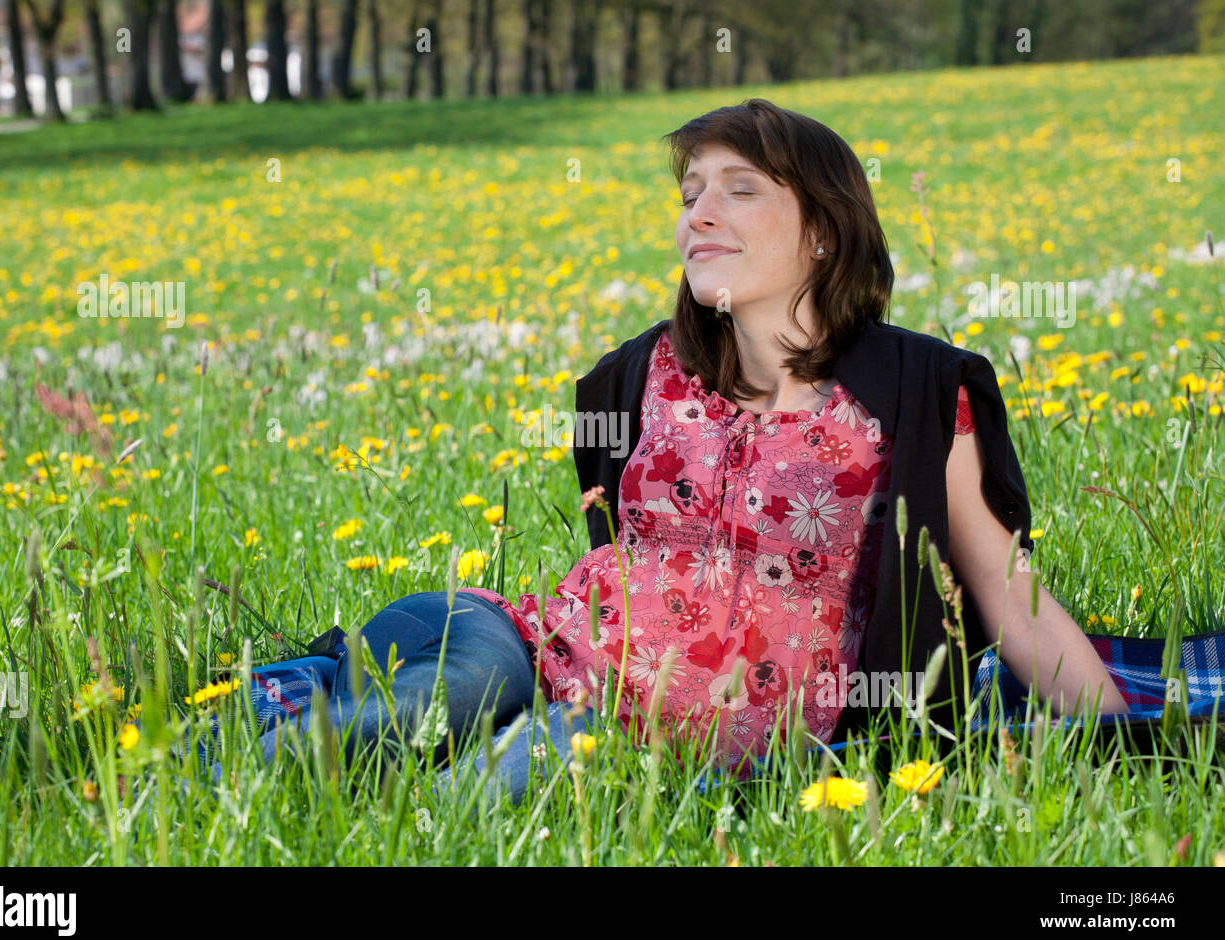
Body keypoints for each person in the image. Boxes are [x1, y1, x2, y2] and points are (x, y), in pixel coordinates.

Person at [213, 98, 1135, 804]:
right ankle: (197, 784)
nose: (699, 213)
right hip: (521, 641)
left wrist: (1129, 743)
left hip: (648, 734)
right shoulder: (646, 373)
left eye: (739, 189)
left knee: (495, 796)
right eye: (691, 194)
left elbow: (1001, 587)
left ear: (821, 229)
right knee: (450, 696)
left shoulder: (912, 391)